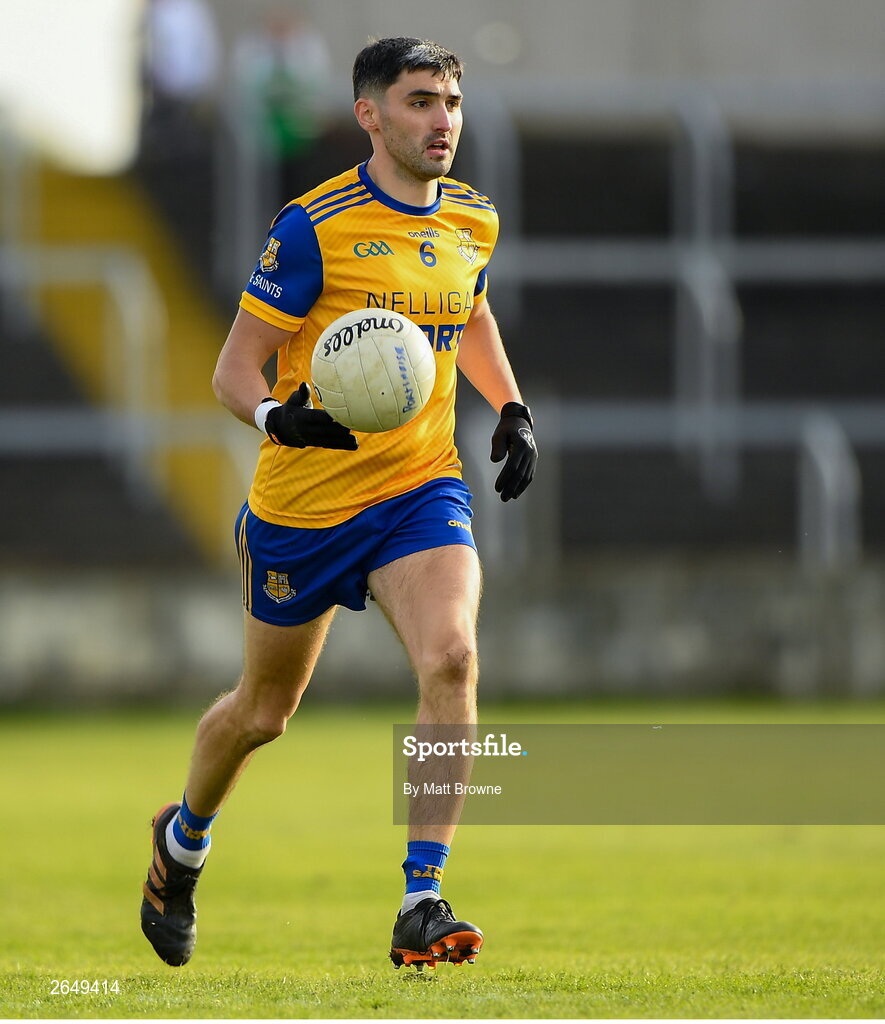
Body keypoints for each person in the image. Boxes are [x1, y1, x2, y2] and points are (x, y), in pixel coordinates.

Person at [140, 36, 537, 972]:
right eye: (419, 103)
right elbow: (232, 371)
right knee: (263, 714)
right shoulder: (314, 227)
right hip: (305, 505)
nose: (442, 121)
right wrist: (280, 418)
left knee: (452, 657)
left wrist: (512, 406)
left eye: (450, 103)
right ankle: (181, 844)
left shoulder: (472, 219)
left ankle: (422, 897)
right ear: (370, 115)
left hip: (417, 486)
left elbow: (467, 310)